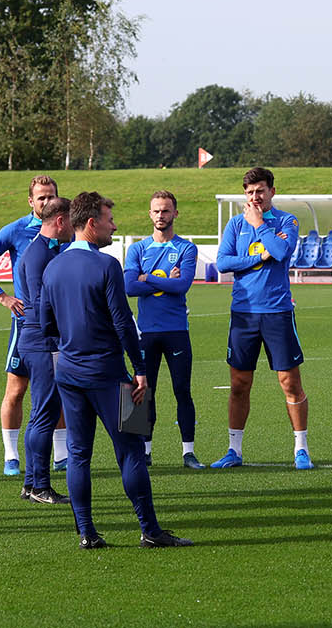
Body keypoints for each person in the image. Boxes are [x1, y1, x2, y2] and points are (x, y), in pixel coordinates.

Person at [40, 192, 191, 549]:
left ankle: (86, 533)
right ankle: (150, 530)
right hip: (110, 373)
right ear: (91, 223)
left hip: (69, 372)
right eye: (109, 220)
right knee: (133, 450)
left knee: (78, 454)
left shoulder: (53, 266)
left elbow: (46, 324)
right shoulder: (106, 265)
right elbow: (124, 323)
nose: (114, 226)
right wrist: (140, 370)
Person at [212, 167, 313, 470]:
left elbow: (281, 251)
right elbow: (223, 263)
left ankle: (301, 448)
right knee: (239, 383)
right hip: (243, 313)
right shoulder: (234, 224)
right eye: (249, 192)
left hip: (277, 312)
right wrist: (257, 257)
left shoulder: (287, 221)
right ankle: (234, 450)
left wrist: (259, 225)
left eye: (260, 191)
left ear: (272, 192)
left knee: (289, 382)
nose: (254, 197)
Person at [0, 175, 67, 477]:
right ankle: (11, 456)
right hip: (27, 325)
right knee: (17, 388)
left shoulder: (65, 230)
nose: (47, 201)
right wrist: (2, 296)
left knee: (60, 387)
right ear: (30, 201)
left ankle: (61, 455)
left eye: (51, 196)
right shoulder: (17, 230)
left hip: (61, 324)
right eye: (41, 197)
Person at [123, 190, 201, 468]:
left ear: (175, 214)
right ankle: (141, 451)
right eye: (156, 210)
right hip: (144, 333)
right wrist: (166, 278)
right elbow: (129, 287)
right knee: (141, 391)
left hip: (176, 330)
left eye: (166, 210)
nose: (160, 215)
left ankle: (188, 452)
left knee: (182, 390)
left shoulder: (186, 248)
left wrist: (148, 278)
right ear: (149, 214)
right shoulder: (137, 249)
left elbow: (183, 286)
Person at [13, 197, 72, 505]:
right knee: (44, 412)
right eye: (71, 221)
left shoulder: (43, 250)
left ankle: (30, 483)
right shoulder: (39, 254)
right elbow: (42, 301)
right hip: (42, 341)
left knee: (41, 413)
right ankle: (40, 485)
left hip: (40, 339)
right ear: (59, 221)